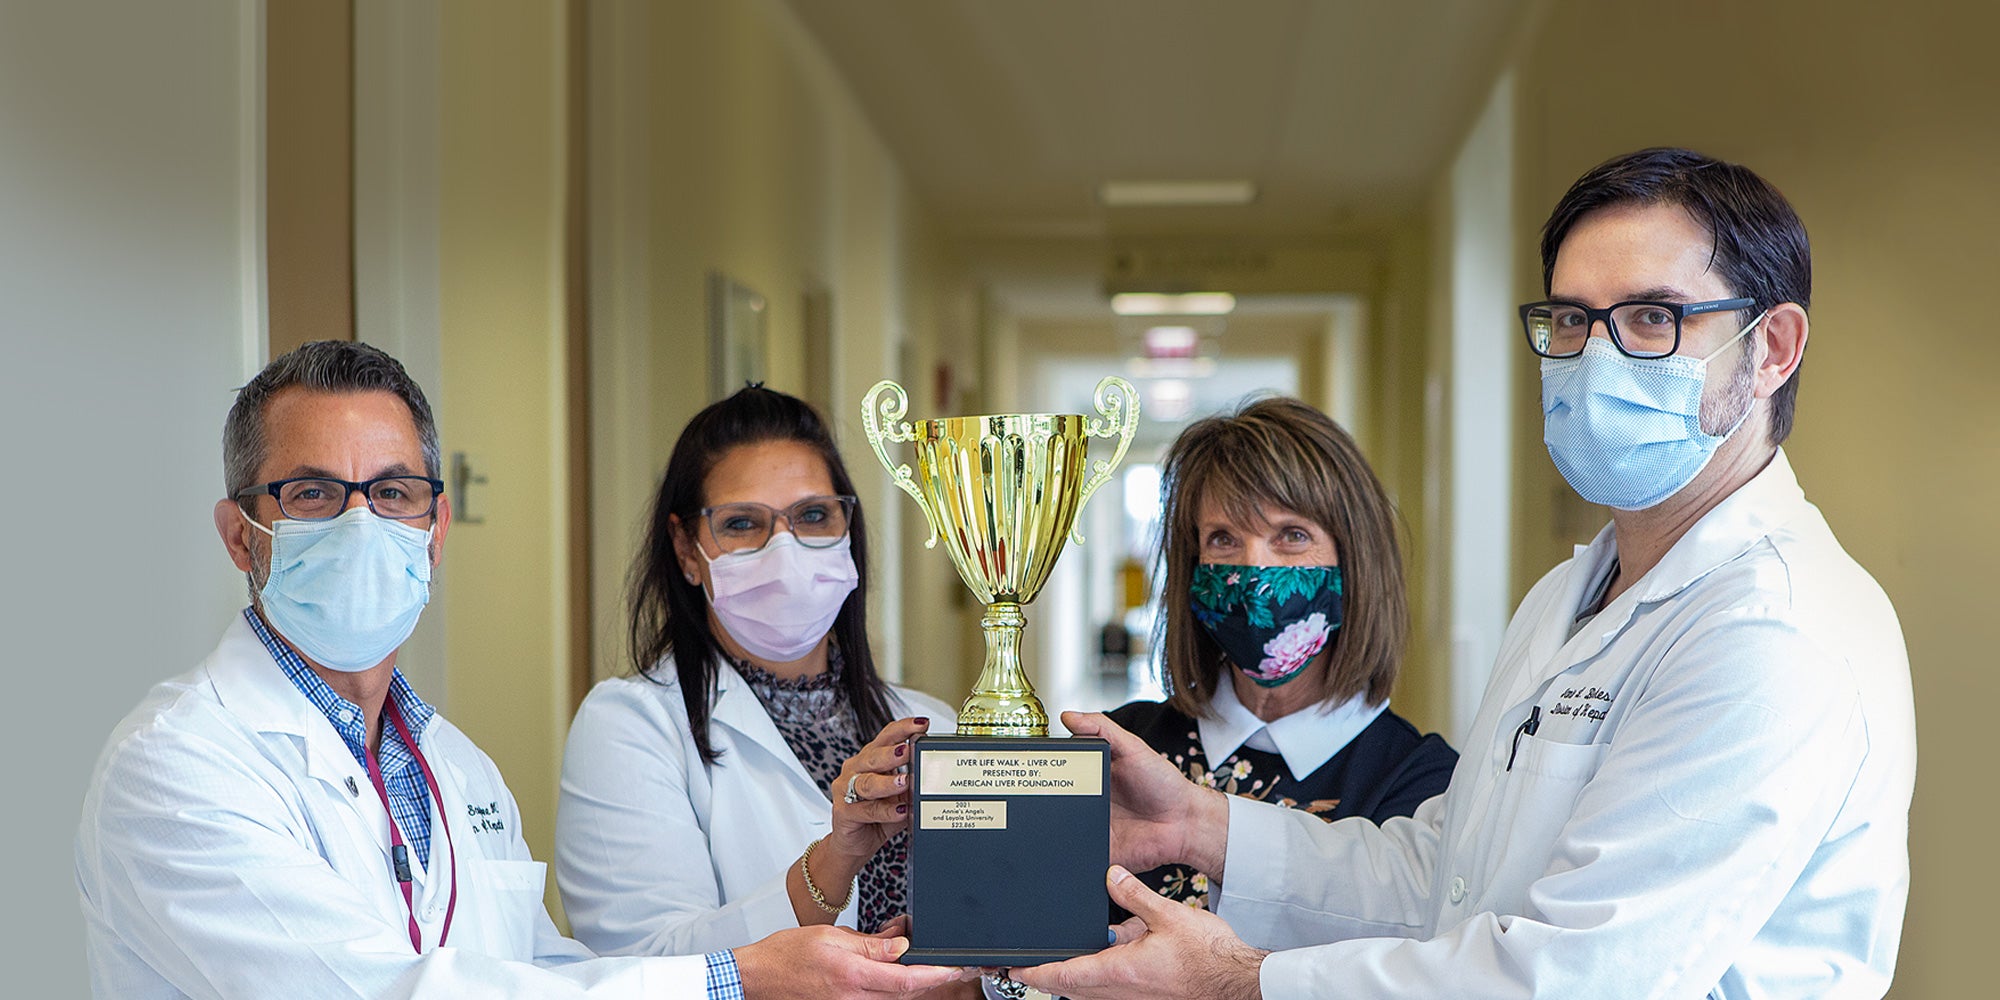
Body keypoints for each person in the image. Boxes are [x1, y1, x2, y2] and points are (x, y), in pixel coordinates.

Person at [1013, 148, 1916, 1000]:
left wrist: (1247, 979)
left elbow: (1577, 977)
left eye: (1652, 317)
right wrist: (1198, 827)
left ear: (1773, 348)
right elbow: (1446, 879)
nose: (1596, 357)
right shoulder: (1567, 598)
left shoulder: (1772, 634)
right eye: (1571, 319)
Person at [74, 341, 969, 999]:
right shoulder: (177, 766)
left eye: (392, 492)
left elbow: (544, 975)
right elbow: (385, 991)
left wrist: (777, 943)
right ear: (242, 536)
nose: (361, 526)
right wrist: (733, 981)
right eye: (312, 494)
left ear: (435, 526)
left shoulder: (452, 766)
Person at [556, 386, 956, 960]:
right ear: (687, 549)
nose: (785, 551)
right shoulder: (629, 726)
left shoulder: (929, 723)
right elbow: (648, 966)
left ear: (848, 527)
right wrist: (834, 859)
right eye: (743, 523)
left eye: (813, 516)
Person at [1105, 397, 1455, 912]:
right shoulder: (1125, 748)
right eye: (1223, 538)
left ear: (1354, 560)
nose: (1255, 572)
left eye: (1292, 536)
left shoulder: (1421, 786)